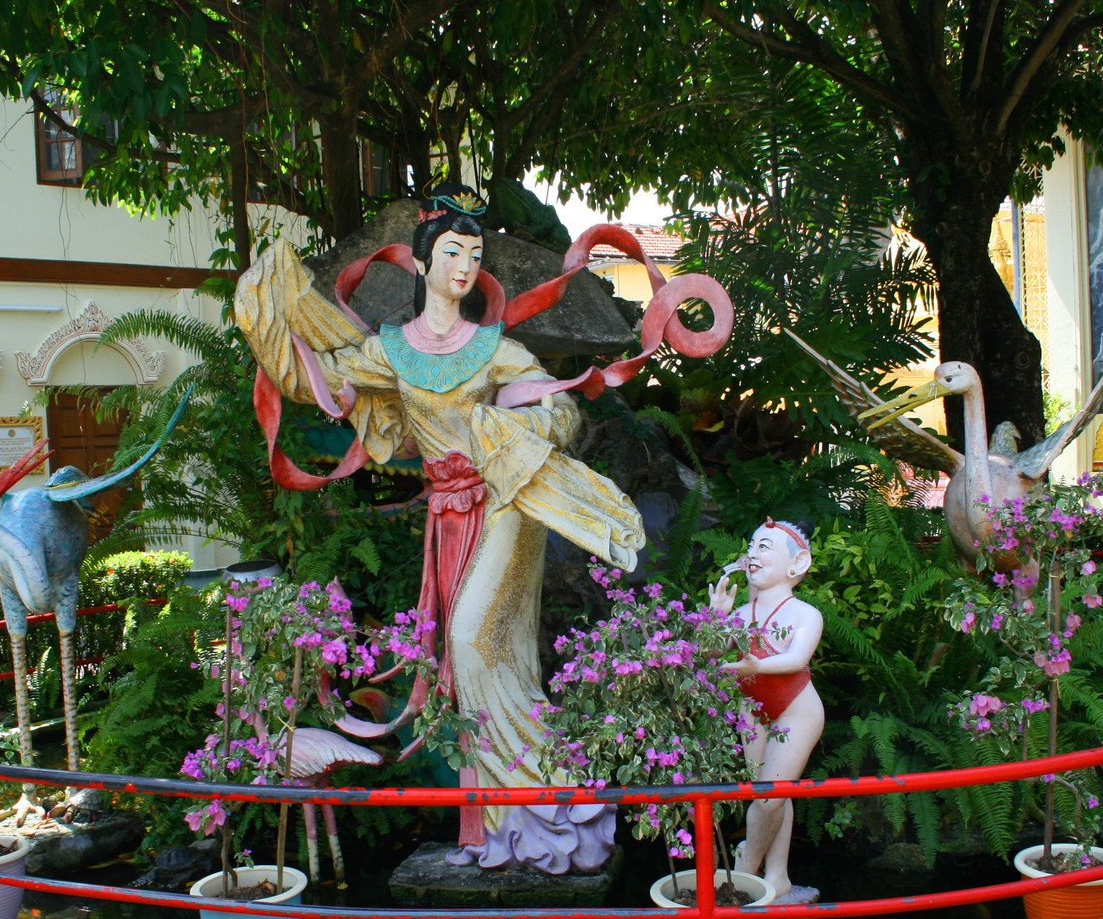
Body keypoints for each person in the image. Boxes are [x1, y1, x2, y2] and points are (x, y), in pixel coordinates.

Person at [235, 182, 731, 873]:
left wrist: (516, 425)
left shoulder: (495, 347)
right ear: (421, 262)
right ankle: (506, 827)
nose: (466, 266)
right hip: (447, 515)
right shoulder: (388, 350)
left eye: (474, 254)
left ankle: (555, 796)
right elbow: (318, 378)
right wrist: (269, 307)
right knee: (478, 662)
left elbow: (564, 414)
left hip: (505, 500)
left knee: (474, 641)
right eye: (452, 252)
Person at [709, 519, 826, 905]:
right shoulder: (741, 614)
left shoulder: (805, 614)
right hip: (753, 709)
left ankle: (744, 873)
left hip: (796, 710)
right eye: (752, 545)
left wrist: (755, 666)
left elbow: (796, 659)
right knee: (776, 791)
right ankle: (777, 876)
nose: (753, 553)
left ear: (797, 564)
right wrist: (716, 616)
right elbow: (709, 655)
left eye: (765, 547)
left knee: (768, 796)